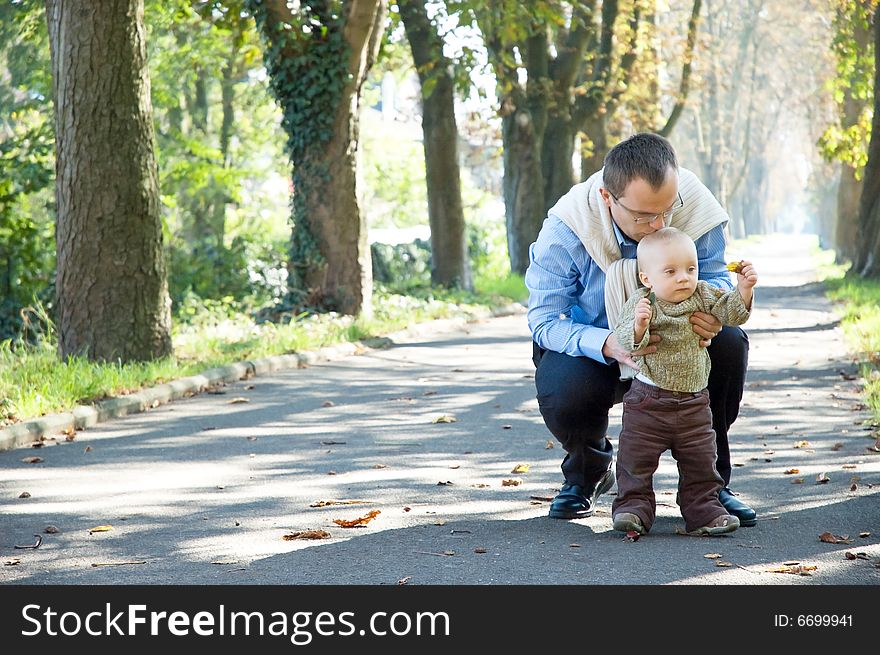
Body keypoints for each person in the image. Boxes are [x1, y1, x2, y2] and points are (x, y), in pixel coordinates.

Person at [525, 132, 756, 526]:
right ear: (606, 198)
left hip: (681, 347)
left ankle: (711, 488)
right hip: (601, 351)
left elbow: (716, 276)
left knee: (730, 343)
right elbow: (544, 320)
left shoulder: (697, 208)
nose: (658, 225)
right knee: (564, 381)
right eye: (643, 216)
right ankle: (588, 471)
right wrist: (608, 343)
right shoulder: (567, 230)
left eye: (666, 210)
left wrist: (714, 314)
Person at [610, 227, 757, 536]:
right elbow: (627, 342)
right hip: (648, 402)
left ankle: (704, 510)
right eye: (671, 271)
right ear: (647, 278)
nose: (683, 278)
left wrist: (743, 290)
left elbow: (731, 313)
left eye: (690, 269)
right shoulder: (643, 302)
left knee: (702, 462)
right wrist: (638, 326)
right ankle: (633, 507)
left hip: (694, 404)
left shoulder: (702, 294)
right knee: (635, 460)